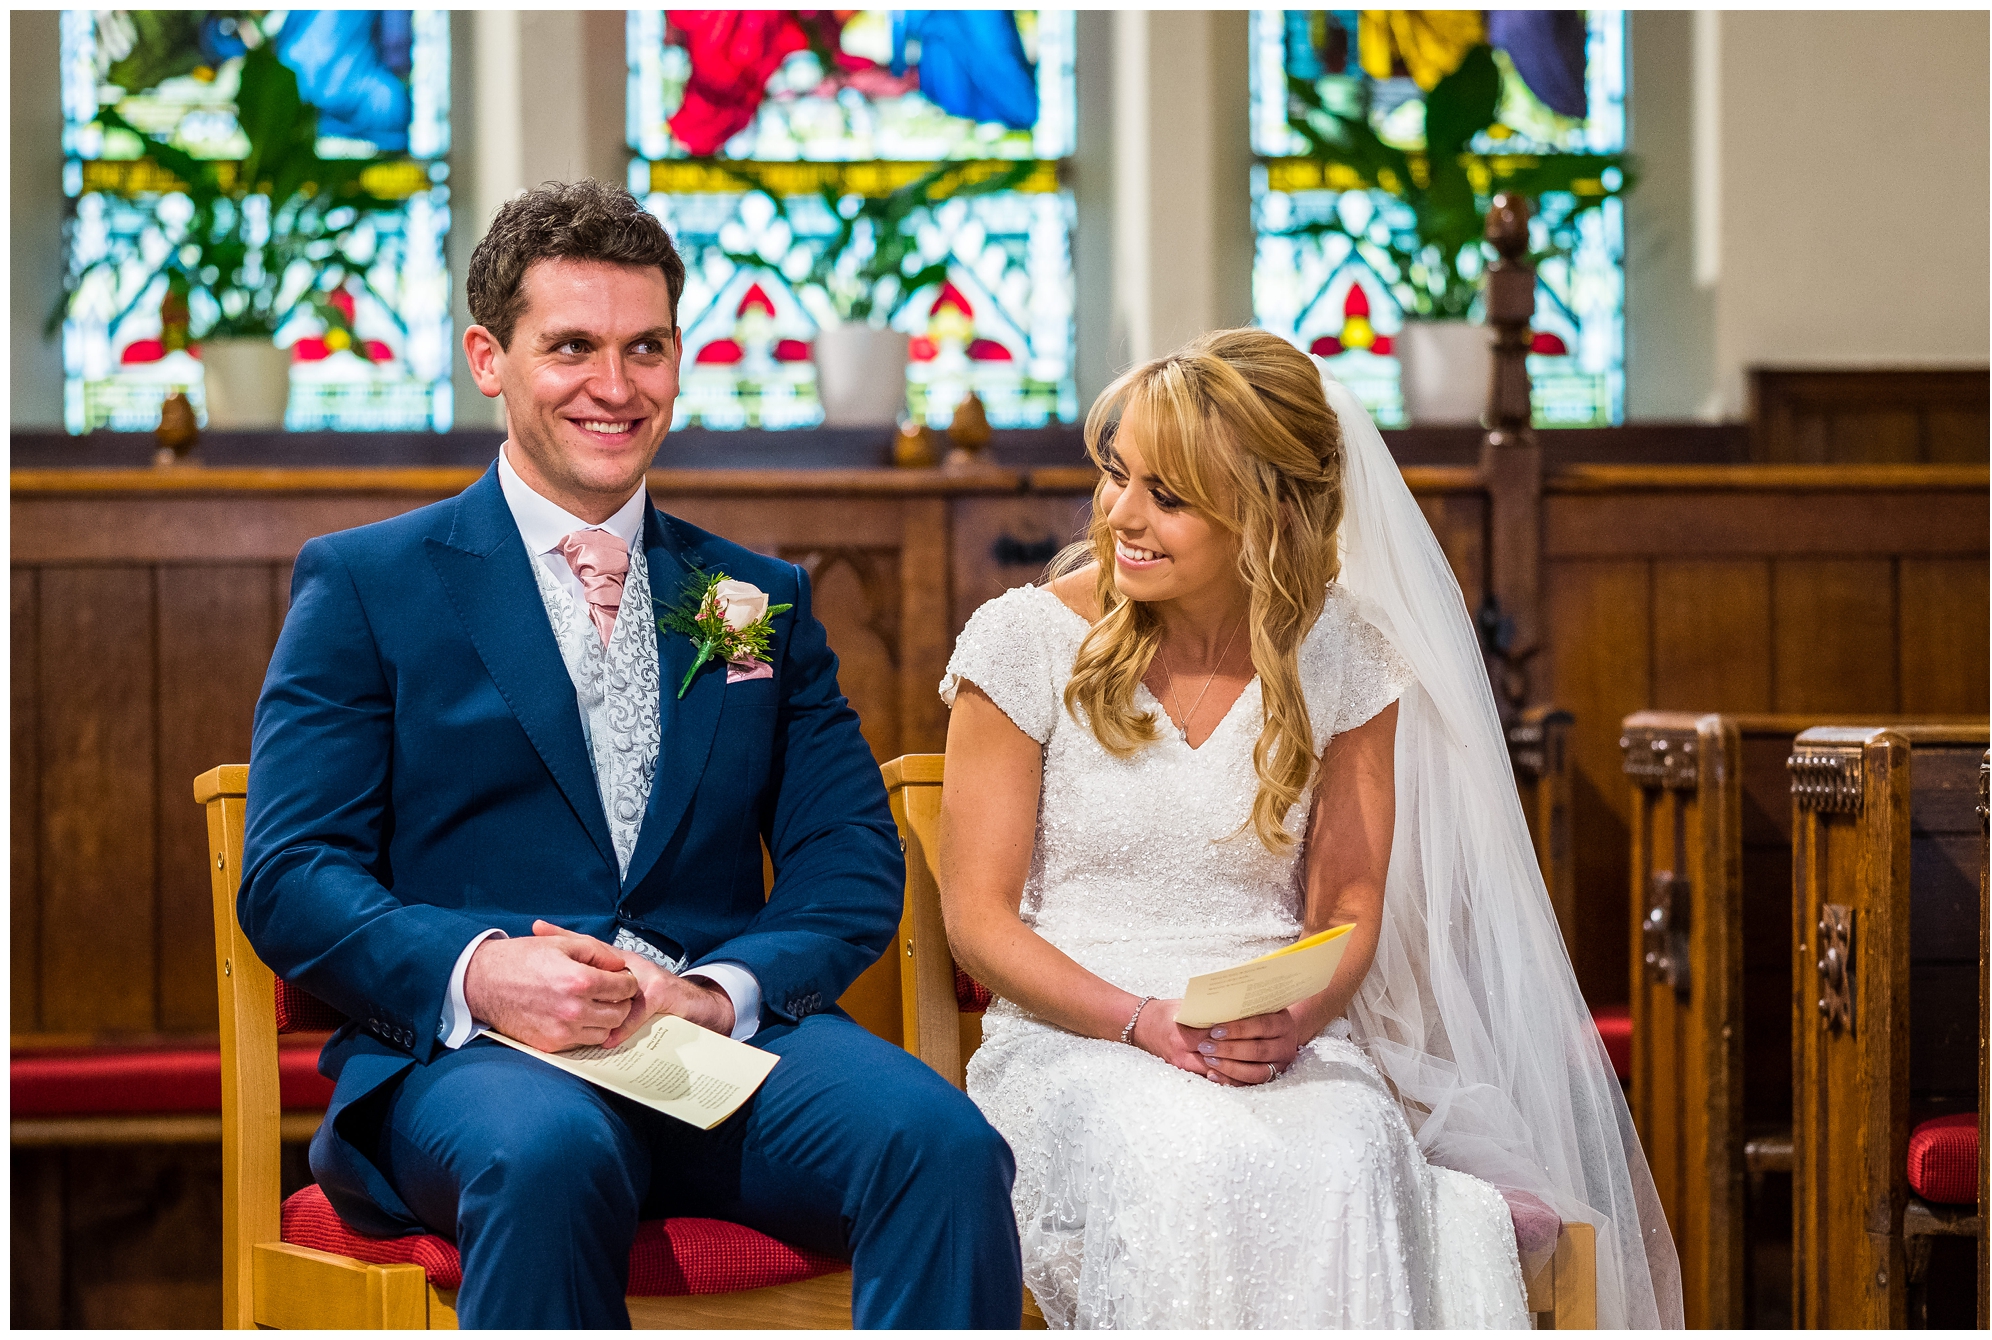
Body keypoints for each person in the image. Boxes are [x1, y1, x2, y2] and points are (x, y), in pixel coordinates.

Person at [240, 179, 1021, 1329]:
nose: (615, 386)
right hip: (475, 1065)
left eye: (645, 346)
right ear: (487, 357)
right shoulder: (369, 585)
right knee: (547, 1153)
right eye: (571, 346)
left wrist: (716, 991)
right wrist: (483, 971)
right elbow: (292, 873)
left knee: (942, 1145)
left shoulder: (750, 599)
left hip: (711, 1049)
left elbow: (848, 858)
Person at [938, 329, 1682, 1328]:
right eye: (1115, 475)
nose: (1119, 514)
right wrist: (1140, 1017)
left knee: (1350, 1150)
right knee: (1189, 1159)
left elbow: (1347, 901)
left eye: (1166, 496)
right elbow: (975, 918)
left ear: (1263, 515)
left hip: (1275, 1038)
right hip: (1079, 1039)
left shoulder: (1342, 657)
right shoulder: (1023, 639)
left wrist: (1297, 1012)